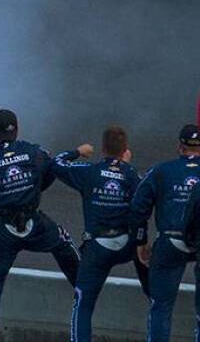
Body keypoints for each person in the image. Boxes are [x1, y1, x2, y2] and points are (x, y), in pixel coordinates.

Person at [0, 109, 83, 342]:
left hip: (0, 230)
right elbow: (50, 171)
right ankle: (84, 286)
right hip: (34, 223)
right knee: (63, 242)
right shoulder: (35, 152)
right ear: (17, 129)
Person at [52, 126, 150, 342]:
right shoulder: (134, 176)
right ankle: (152, 290)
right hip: (127, 245)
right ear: (126, 150)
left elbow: (56, 163)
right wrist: (142, 241)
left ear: (103, 149)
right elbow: (143, 209)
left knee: (83, 304)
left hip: (97, 247)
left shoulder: (88, 171)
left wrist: (78, 151)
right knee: (145, 258)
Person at [131, 124, 200, 342]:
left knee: (161, 307)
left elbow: (137, 207)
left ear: (180, 147)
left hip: (170, 242)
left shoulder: (161, 170)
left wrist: (141, 240)